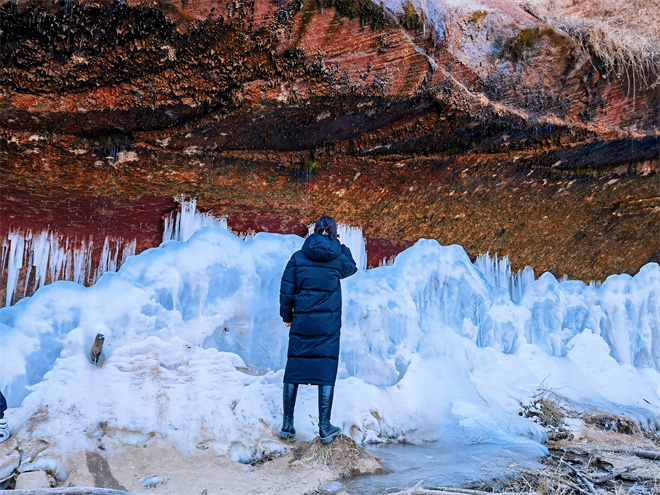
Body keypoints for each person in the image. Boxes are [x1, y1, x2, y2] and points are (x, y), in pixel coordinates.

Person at [279, 216, 358, 443]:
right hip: (328, 325)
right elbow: (352, 268)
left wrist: (287, 316)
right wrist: (341, 246)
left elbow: (286, 288)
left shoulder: (298, 257)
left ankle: (287, 425)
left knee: (294, 368)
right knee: (325, 370)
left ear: (314, 231)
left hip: (302, 321)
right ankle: (324, 427)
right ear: (334, 233)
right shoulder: (337, 259)